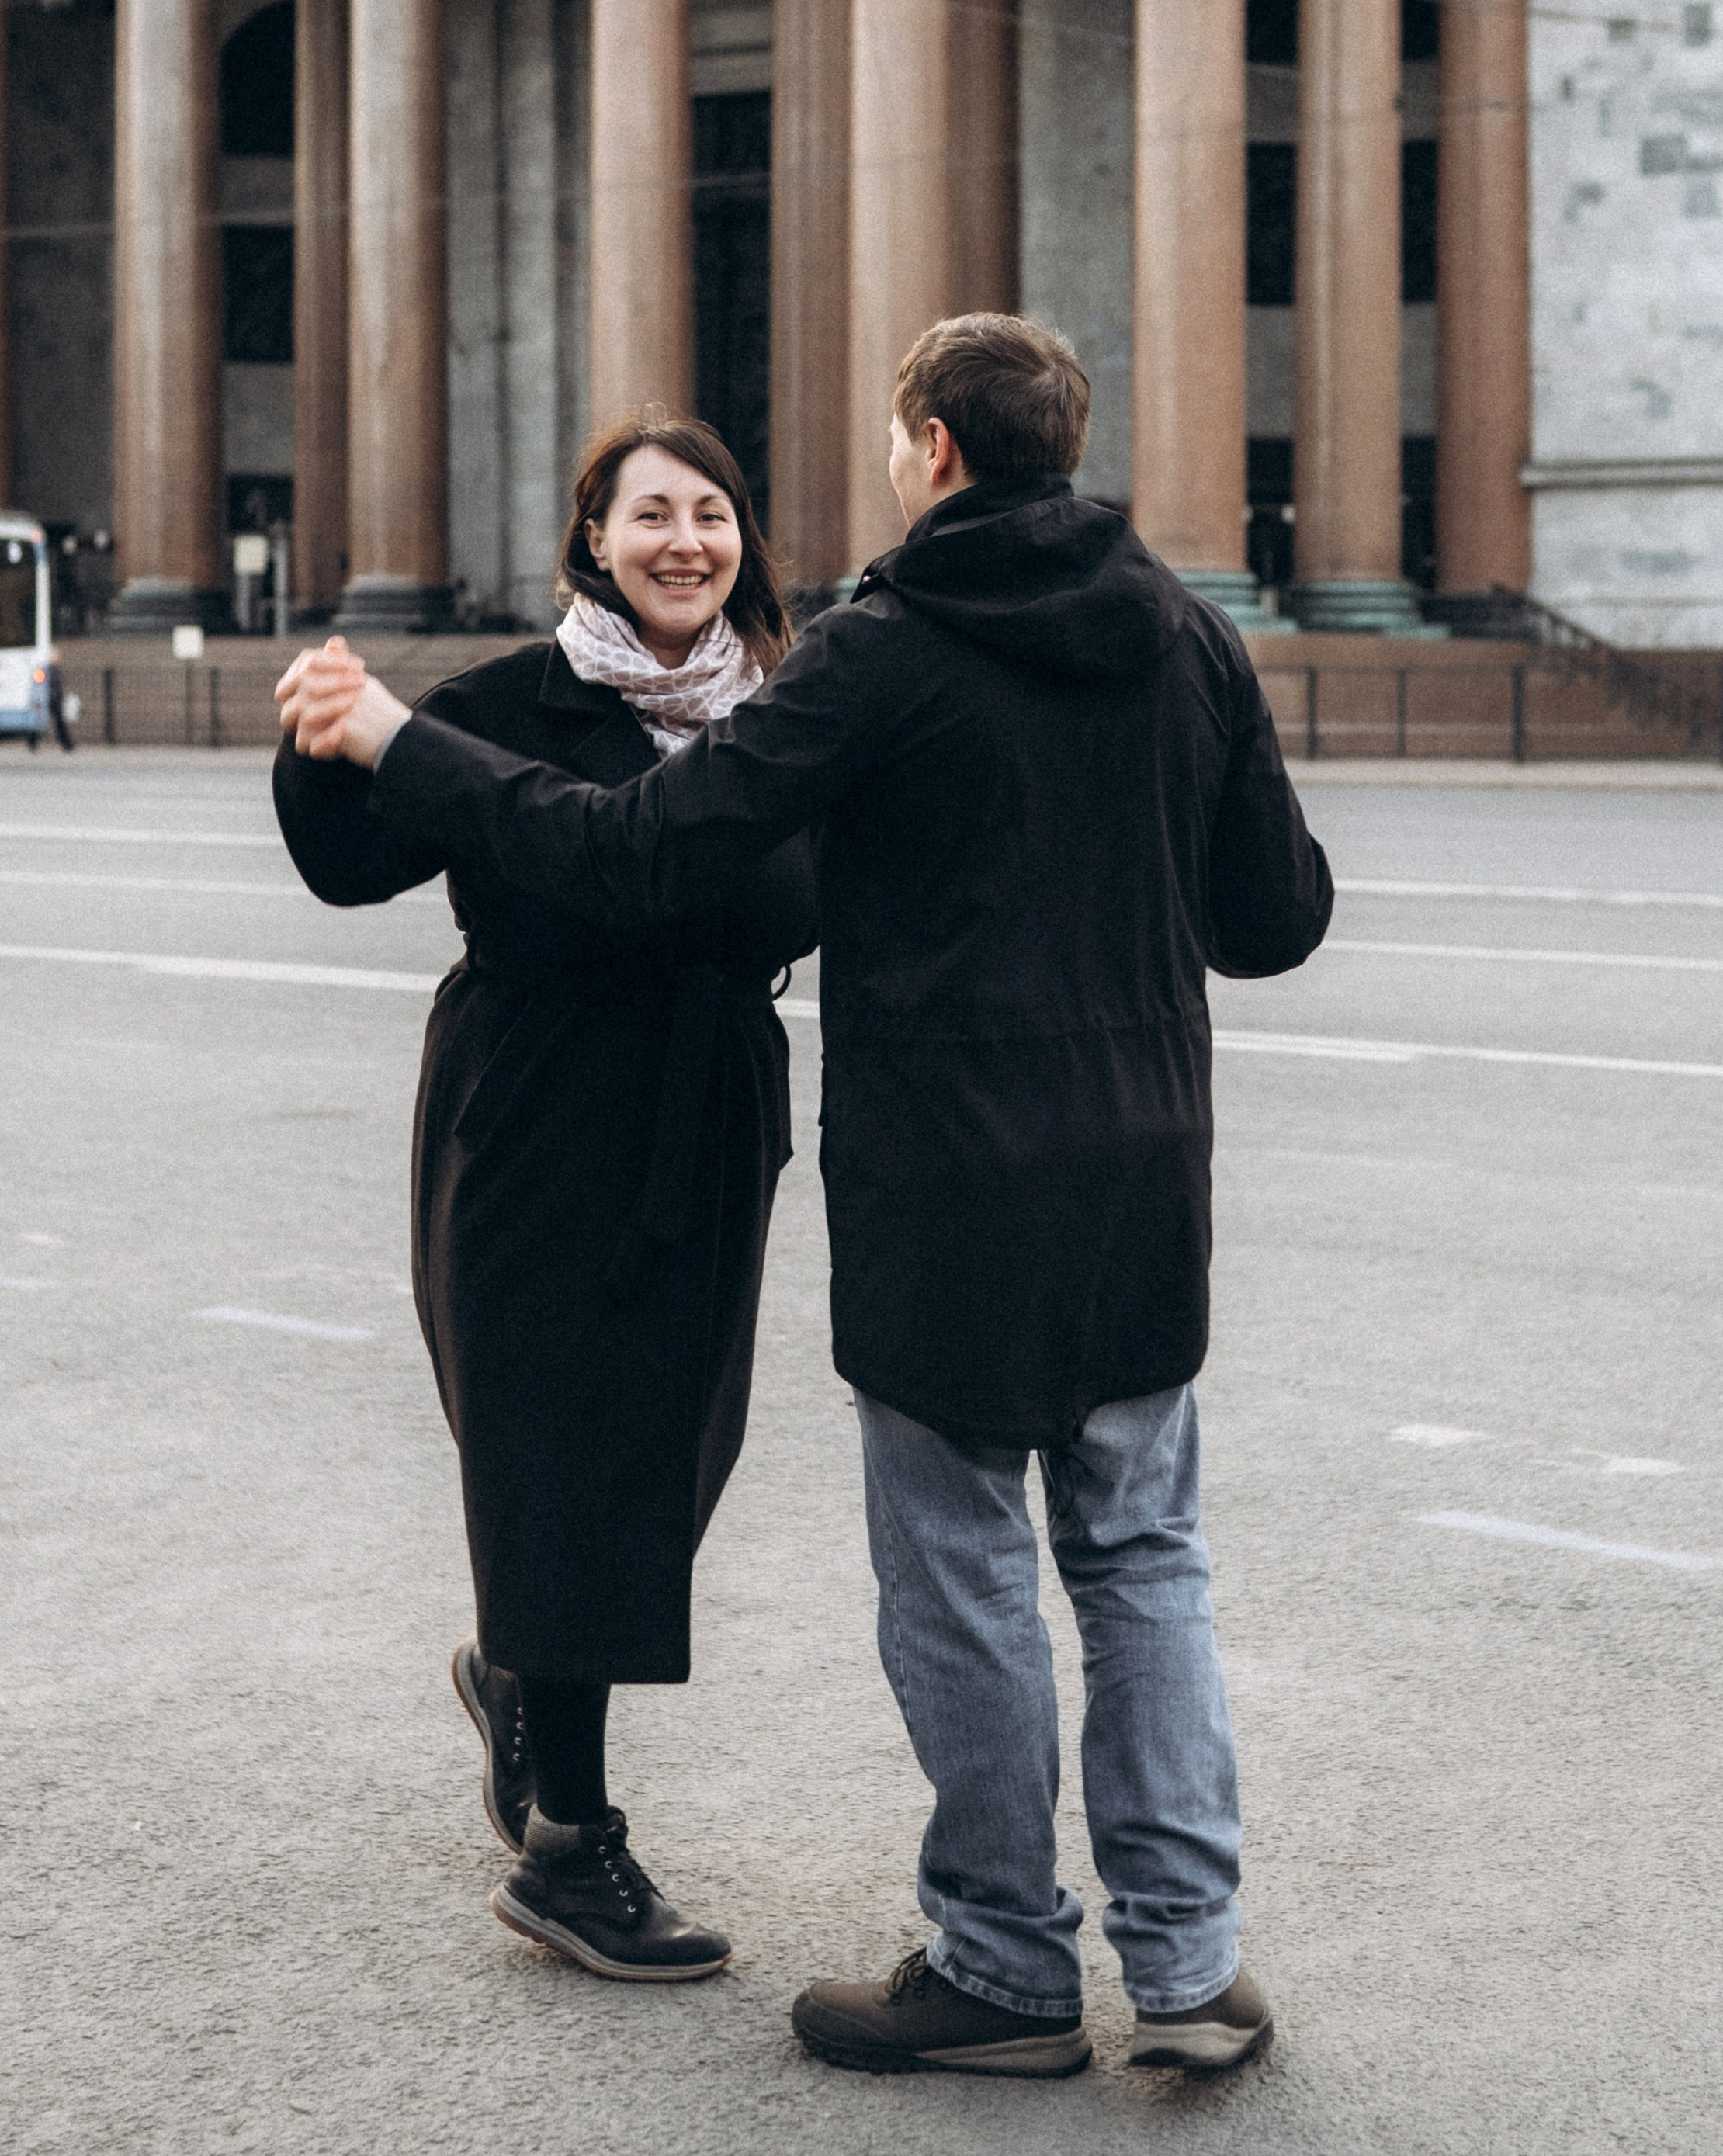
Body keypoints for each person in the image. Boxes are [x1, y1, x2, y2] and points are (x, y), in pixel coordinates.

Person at [286, 314, 1332, 2078]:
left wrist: (396, 735)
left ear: (927, 444)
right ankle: (1187, 1970)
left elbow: (633, 852)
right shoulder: (1187, 636)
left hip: (946, 1184)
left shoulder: (879, 654)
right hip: (1145, 1174)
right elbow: (1275, 921)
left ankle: (1003, 1970)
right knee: (1144, 1558)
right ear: (1065, 445)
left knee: (965, 1573)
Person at [272, 415, 816, 1984]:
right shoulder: (505, 700)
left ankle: (520, 1674)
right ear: (593, 536)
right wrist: (320, 731)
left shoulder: (777, 717)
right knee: (560, 1442)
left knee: (668, 1455)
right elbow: (352, 861)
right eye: (651, 514)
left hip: (703, 1110)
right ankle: (571, 1846)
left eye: (712, 514)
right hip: (531, 1108)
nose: (685, 543)